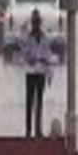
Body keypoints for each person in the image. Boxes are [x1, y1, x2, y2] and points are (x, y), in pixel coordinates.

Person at [22, 9, 55, 137]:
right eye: (34, 23)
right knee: (29, 102)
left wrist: (49, 74)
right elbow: (22, 45)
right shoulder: (27, 37)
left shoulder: (44, 38)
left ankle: (38, 129)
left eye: (37, 23)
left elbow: (48, 57)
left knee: (39, 102)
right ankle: (28, 130)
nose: (36, 25)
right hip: (31, 72)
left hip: (40, 71)